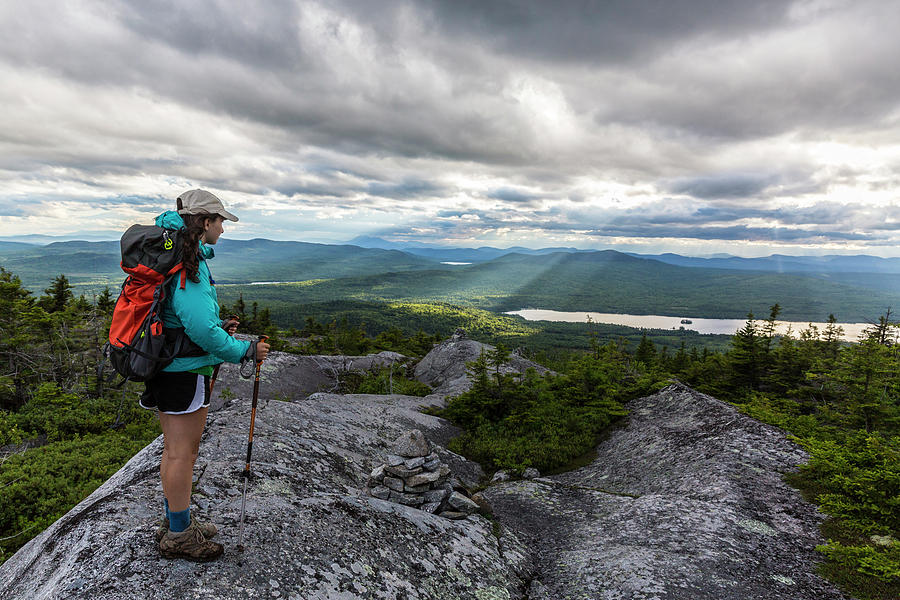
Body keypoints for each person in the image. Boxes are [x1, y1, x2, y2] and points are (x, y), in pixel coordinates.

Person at [138, 189, 270, 561]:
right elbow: (201, 330)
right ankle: (179, 534)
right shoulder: (187, 267)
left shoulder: (176, 256)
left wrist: (217, 325)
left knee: (174, 450)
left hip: (170, 367)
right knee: (183, 453)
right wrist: (243, 349)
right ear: (204, 222)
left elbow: (190, 320)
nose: (224, 229)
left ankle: (175, 520)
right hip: (183, 372)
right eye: (221, 221)